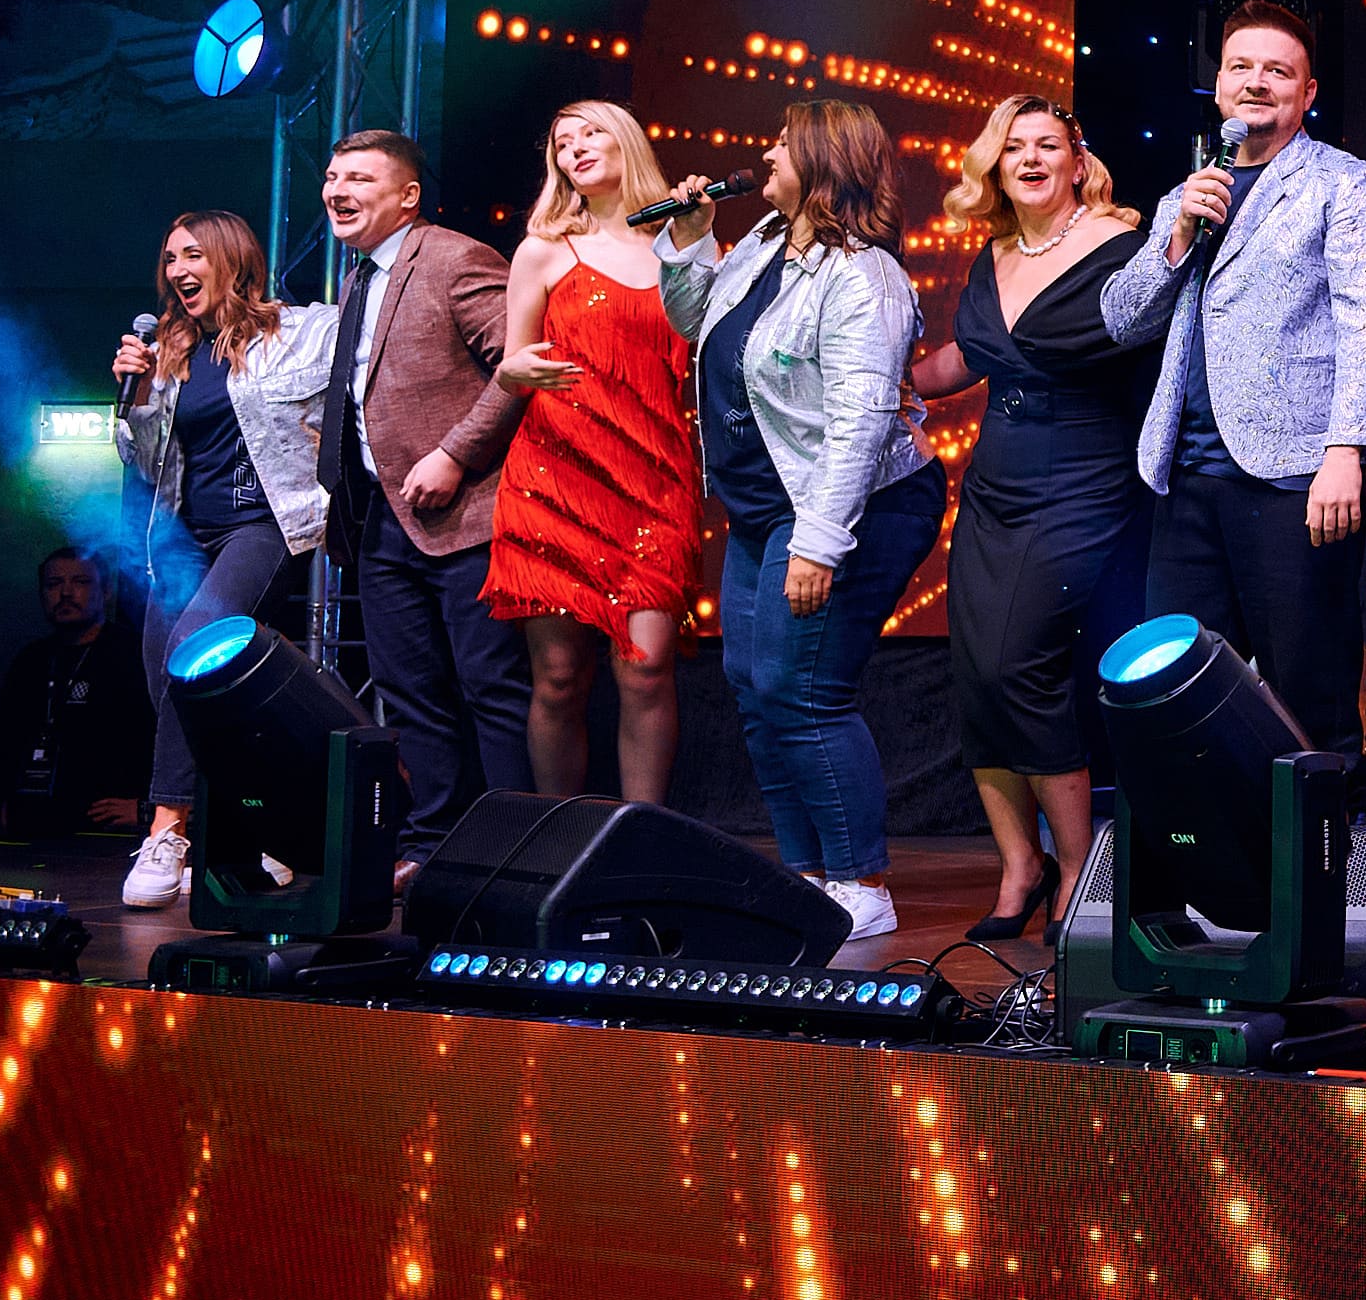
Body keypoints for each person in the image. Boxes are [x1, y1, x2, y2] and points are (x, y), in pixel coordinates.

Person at [658, 99, 950, 939]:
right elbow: (698, 327)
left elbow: (860, 424)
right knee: (754, 685)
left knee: (804, 688)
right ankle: (808, 875)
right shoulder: (760, 244)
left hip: (852, 503)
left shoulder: (864, 275)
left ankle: (862, 882)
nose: (767, 154)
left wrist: (819, 544)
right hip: (767, 502)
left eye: (783, 142)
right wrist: (690, 241)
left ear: (822, 160)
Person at [1103, 1, 1366, 756]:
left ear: (1308, 92)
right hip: (1187, 479)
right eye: (1241, 66)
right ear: (1218, 85)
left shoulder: (1345, 185)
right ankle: (1210, 839)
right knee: (1180, 700)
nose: (1256, 82)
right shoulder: (1190, 194)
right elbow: (1123, 319)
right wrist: (1177, 237)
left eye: (1278, 70)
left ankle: (1319, 839)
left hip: (1293, 481)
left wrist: (1346, 452)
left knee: (1309, 703)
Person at [912, 96, 1154, 943]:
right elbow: (970, 356)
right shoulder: (995, 253)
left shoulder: (1123, 246)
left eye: (1048, 144)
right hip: (995, 484)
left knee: (1021, 664)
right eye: (1013, 147)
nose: (1030, 158)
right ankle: (1020, 866)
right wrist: (890, 382)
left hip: (1084, 477)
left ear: (1078, 161)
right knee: (977, 672)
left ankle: (1081, 868)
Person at [312, 129, 532, 872]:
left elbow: (521, 364)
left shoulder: (452, 257)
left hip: (467, 512)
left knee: (490, 685)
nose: (337, 190)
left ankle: (511, 847)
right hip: (381, 516)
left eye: (359, 178)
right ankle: (433, 842)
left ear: (408, 195)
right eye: (332, 177)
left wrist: (455, 453)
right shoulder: (358, 279)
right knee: (408, 690)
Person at [110, 209, 337, 903]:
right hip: (186, 537)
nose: (178, 269)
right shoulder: (170, 352)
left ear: (231, 259)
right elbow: (144, 462)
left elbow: (363, 355)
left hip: (261, 527)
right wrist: (136, 396)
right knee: (170, 677)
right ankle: (259, 825)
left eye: (192, 254)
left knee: (191, 648)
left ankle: (168, 828)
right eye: (169, 258)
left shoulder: (295, 333)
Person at [485, 101, 700, 805]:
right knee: (558, 678)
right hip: (555, 478)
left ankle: (644, 831)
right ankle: (560, 835)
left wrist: (697, 238)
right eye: (561, 143)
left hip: (654, 478)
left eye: (590, 133)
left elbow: (710, 343)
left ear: (626, 141)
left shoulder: (680, 242)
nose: (574, 148)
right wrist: (513, 370)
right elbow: (513, 362)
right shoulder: (544, 249)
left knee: (646, 668)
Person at [0, 550, 150, 842]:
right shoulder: (31, 661)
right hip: (32, 821)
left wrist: (144, 808)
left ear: (106, 591)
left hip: (106, 829)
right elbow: (3, 739)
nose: (65, 593)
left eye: (80, 582)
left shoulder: (134, 655)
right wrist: (3, 803)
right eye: (53, 584)